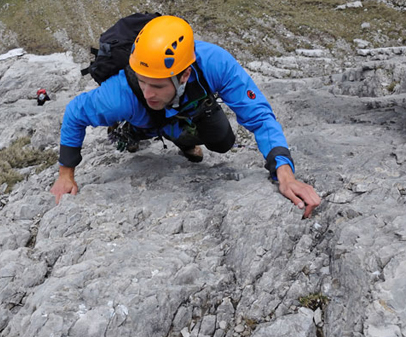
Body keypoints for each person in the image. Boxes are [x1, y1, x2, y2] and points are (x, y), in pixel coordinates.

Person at [51, 16, 321, 217]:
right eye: (142, 82)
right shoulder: (121, 95)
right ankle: (133, 130)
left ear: (185, 75)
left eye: (156, 85)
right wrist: (66, 174)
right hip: (141, 119)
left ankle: (179, 136)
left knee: (223, 140)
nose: (147, 92)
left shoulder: (214, 63)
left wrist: (285, 174)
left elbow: (260, 117)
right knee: (143, 113)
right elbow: (75, 113)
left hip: (188, 107)